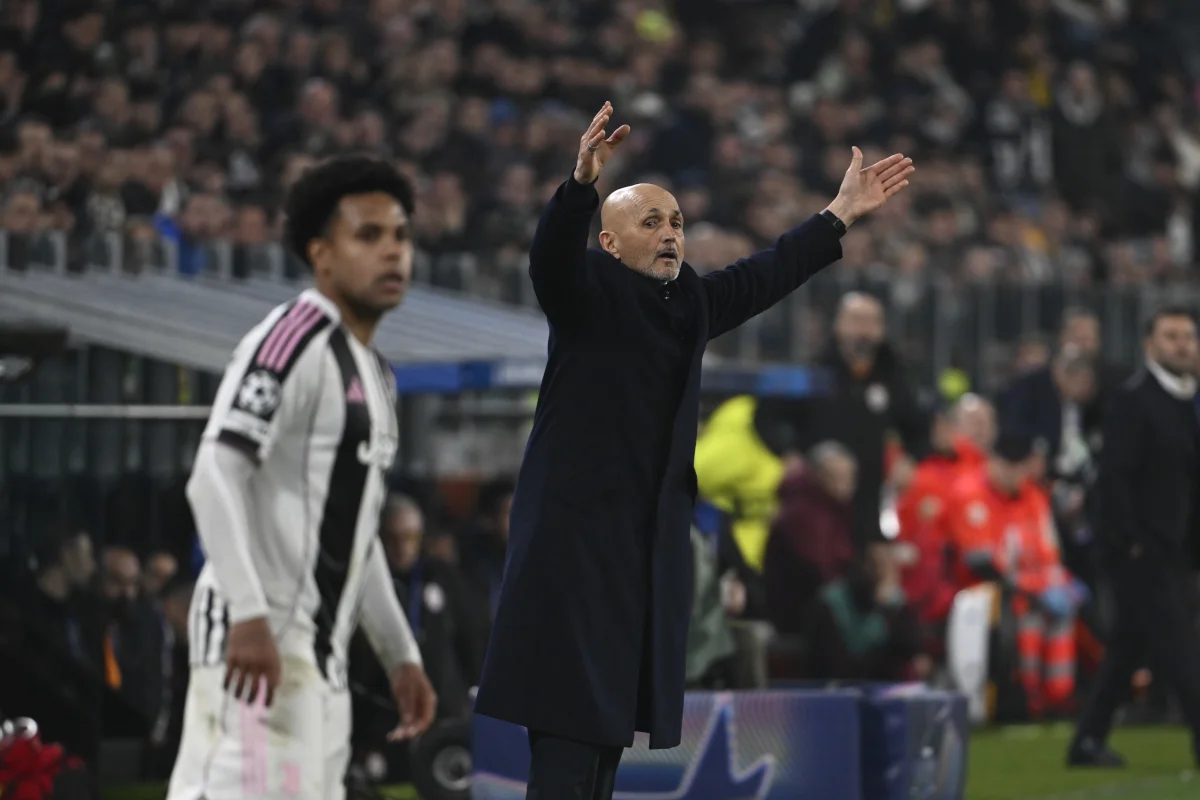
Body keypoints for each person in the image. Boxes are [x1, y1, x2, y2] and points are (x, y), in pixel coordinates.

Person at [474, 101, 914, 799]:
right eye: (651, 222)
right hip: (574, 548)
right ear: (610, 243)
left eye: (677, 222)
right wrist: (580, 187)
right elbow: (549, 261)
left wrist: (838, 215)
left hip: (639, 551)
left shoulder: (689, 306)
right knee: (567, 729)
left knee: (603, 735)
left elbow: (768, 273)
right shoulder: (586, 293)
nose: (670, 233)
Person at [167, 155, 436, 800]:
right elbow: (213, 473)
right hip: (256, 654)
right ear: (322, 254)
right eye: (368, 235)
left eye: (400, 235)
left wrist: (400, 653)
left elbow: (361, 534)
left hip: (319, 665)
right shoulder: (293, 339)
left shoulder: (376, 373)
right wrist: (248, 615)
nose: (393, 252)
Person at [1070, 306, 1200, 768]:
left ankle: (1087, 741)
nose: (1182, 345)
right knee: (1181, 646)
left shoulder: (1189, 401)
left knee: (1128, 646)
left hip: (1176, 548)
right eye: (1171, 336)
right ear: (1150, 346)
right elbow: (1115, 477)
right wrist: (1130, 540)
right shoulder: (1133, 400)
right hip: (1140, 549)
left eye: (1188, 337)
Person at [754, 291, 930, 552]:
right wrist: (787, 452)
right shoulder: (812, 371)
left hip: (867, 503)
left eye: (872, 322)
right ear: (838, 325)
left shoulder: (892, 377)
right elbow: (766, 416)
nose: (865, 330)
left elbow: (919, 427)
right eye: (857, 320)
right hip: (816, 499)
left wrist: (910, 460)